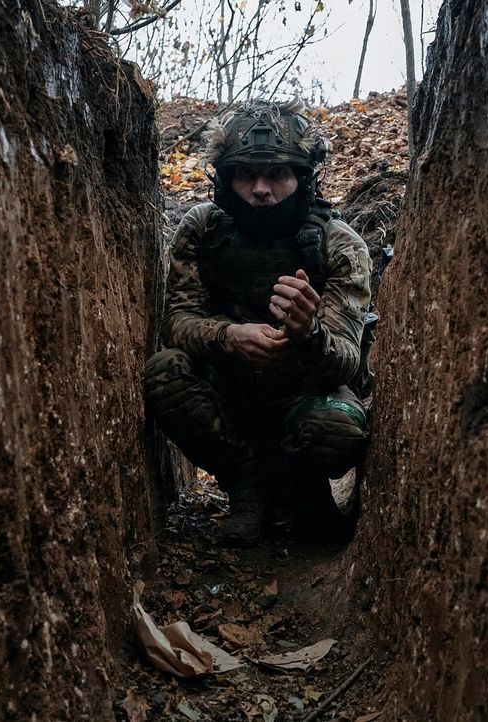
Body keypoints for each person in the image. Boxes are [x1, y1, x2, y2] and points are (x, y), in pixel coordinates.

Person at [143, 99, 372, 545]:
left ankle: (301, 492)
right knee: (163, 372)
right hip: (230, 392)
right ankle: (248, 485)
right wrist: (230, 336)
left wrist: (310, 333)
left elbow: (344, 360)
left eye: (277, 174)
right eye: (246, 174)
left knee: (337, 429)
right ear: (226, 179)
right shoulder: (203, 229)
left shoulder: (339, 244)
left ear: (302, 178)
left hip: (305, 394)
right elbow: (176, 321)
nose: (261, 189)